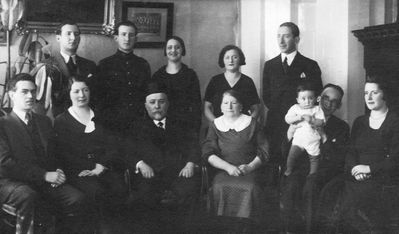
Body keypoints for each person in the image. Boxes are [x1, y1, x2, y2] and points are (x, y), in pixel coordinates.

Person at [0, 73, 93, 234]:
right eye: (24, 91)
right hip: (13, 182)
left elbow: (54, 153)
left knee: (77, 198)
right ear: (12, 95)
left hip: (44, 180)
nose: (30, 96)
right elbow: (5, 163)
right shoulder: (3, 124)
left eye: (33, 91)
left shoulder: (44, 121)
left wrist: (58, 170)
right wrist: (44, 175)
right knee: (28, 196)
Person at [125, 81, 200, 232]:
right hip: (150, 175)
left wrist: (190, 163)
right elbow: (127, 151)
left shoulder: (181, 124)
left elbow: (194, 145)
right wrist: (140, 163)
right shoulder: (135, 126)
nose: (157, 106)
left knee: (190, 191)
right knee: (143, 198)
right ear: (146, 105)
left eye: (161, 102)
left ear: (168, 104)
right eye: (152, 102)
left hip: (178, 174)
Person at [53, 76, 128, 219]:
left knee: (119, 188)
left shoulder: (101, 116)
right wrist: (91, 167)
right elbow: (63, 153)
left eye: (85, 90)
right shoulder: (61, 120)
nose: (81, 95)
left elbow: (113, 146)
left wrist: (101, 165)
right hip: (78, 172)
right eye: (76, 91)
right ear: (69, 94)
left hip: (103, 168)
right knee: (97, 192)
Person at [280, 83, 350, 233]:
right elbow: (284, 151)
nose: (328, 103)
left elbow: (338, 159)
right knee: (292, 183)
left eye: (334, 101)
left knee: (311, 185)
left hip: (324, 168)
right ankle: (289, 230)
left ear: (339, 105)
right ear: (318, 99)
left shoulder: (341, 127)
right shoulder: (300, 115)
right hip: (301, 165)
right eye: (325, 98)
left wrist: (324, 135)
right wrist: (289, 133)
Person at [202, 90, 269, 229]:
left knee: (251, 188)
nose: (229, 106)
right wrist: (228, 168)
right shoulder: (215, 125)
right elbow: (208, 153)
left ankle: (247, 228)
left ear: (241, 106)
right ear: (220, 107)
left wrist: (249, 167)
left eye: (234, 102)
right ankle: (225, 228)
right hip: (224, 171)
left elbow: (264, 151)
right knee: (219, 187)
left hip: (250, 170)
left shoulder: (253, 123)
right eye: (225, 103)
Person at [340, 75, 399, 233]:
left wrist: (369, 169)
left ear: (384, 94)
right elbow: (350, 151)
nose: (369, 97)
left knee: (357, 205)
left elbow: (395, 159)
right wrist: (355, 169)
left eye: (374, 92)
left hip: (383, 178)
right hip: (356, 177)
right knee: (333, 195)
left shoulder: (395, 121)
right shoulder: (359, 122)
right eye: (366, 93)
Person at [263, 22, 322, 165]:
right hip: (275, 123)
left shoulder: (310, 65)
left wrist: (300, 116)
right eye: (278, 36)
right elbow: (266, 96)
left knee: (297, 164)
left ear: (296, 39)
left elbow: (317, 94)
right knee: (275, 161)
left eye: (286, 36)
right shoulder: (270, 65)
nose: (281, 41)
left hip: (303, 125)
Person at [94, 20, 151, 137]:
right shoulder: (104, 64)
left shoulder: (143, 64)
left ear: (136, 39)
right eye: (123, 34)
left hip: (137, 124)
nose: (127, 39)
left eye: (131, 35)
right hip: (112, 124)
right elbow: (99, 97)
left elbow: (147, 94)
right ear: (116, 38)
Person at [32, 20, 96, 118]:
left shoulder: (90, 65)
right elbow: (40, 104)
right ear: (58, 38)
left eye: (76, 34)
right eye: (68, 34)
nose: (73, 38)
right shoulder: (47, 66)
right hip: (56, 121)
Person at [151, 36, 202, 132]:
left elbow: (196, 106)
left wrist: (194, 130)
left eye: (177, 47)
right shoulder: (158, 76)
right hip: (162, 128)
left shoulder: (190, 75)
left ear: (182, 50)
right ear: (165, 51)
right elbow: (153, 107)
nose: (173, 50)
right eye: (169, 47)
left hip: (185, 127)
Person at [204, 45, 260, 123]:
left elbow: (255, 108)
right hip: (219, 128)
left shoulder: (247, 81)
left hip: (242, 128)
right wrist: (216, 123)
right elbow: (207, 107)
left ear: (240, 59)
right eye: (227, 57)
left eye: (235, 57)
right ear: (222, 60)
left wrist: (247, 125)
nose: (231, 61)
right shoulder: (215, 81)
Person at [284, 82, 325, 176]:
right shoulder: (295, 108)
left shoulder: (316, 109)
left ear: (315, 99)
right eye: (303, 99)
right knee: (291, 156)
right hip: (298, 140)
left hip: (312, 139)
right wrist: (297, 118)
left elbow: (322, 122)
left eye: (310, 98)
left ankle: (312, 174)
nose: (307, 102)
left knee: (314, 158)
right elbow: (287, 119)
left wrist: (312, 120)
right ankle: (288, 170)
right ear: (297, 100)